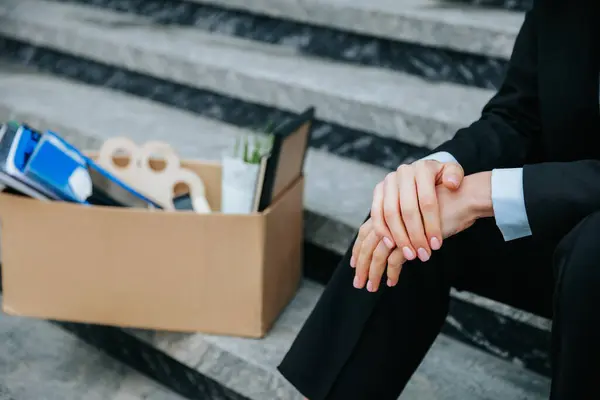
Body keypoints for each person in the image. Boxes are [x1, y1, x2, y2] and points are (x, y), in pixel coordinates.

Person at [277, 1, 600, 399]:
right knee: (409, 216)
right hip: (565, 214)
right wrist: (434, 172)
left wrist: (485, 193)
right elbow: (518, 116)